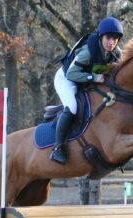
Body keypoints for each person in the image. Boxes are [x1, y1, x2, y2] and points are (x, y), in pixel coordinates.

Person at [50, 16, 124, 164]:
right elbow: (71, 73)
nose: (112, 42)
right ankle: (57, 148)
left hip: (84, 80)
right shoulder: (88, 52)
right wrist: (93, 78)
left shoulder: (116, 53)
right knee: (72, 107)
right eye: (109, 38)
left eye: (115, 39)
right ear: (101, 36)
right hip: (66, 79)